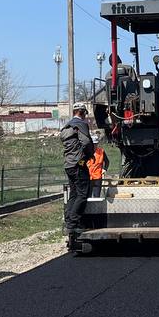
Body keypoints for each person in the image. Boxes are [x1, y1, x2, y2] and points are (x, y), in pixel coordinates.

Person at [60, 105, 95, 247]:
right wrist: (88, 154)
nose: (86, 116)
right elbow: (86, 142)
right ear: (81, 113)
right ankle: (74, 222)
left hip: (69, 165)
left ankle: (69, 221)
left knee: (73, 194)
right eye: (85, 113)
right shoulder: (80, 125)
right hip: (79, 164)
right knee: (83, 194)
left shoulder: (66, 126)